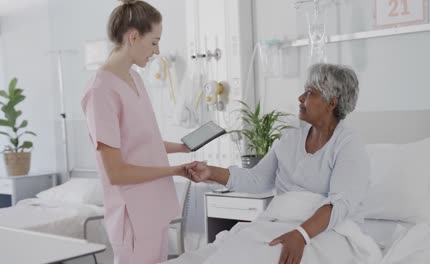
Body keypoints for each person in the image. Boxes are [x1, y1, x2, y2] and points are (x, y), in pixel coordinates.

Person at [188, 63, 370, 264]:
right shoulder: (290, 138)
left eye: (309, 93)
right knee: (234, 252)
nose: (300, 98)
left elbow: (340, 204)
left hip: (326, 231)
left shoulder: (348, 144)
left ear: (331, 103)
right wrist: (209, 172)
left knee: (261, 257)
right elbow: (257, 180)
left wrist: (301, 234)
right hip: (280, 223)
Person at [81, 1, 194, 263]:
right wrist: (176, 170)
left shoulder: (135, 79)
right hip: (133, 215)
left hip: (154, 207)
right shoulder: (100, 91)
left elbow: (141, 141)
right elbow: (117, 172)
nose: (157, 51)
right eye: (154, 42)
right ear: (133, 37)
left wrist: (181, 148)